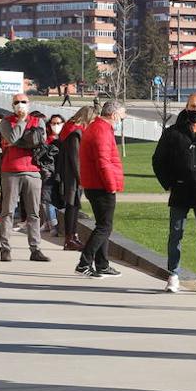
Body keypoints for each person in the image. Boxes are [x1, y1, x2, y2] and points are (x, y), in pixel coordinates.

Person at [151, 93, 196, 294]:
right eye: (193, 106)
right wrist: (168, 184)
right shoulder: (172, 133)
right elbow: (158, 160)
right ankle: (173, 274)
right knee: (176, 234)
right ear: (186, 106)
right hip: (180, 191)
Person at [0, 93, 49, 262]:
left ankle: (35, 249)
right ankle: (5, 248)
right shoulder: (6, 122)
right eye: (17, 102)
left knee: (34, 213)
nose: (20, 104)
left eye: (23, 102)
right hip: (11, 171)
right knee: (8, 212)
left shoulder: (38, 121)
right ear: (12, 105)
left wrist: (19, 141)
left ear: (29, 103)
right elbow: (11, 137)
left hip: (32, 171)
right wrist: (22, 122)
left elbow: (40, 141)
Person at [76, 100, 126, 278]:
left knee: (104, 225)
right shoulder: (101, 131)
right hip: (100, 185)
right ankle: (84, 262)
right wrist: (111, 185)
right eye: (122, 115)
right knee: (104, 226)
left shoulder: (98, 128)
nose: (123, 118)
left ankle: (102, 264)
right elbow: (103, 162)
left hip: (95, 184)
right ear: (113, 115)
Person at [59, 106, 93, 251]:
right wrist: (81, 178)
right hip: (72, 175)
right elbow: (76, 158)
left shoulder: (70, 129)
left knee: (73, 206)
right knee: (72, 206)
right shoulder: (75, 133)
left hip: (70, 173)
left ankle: (73, 236)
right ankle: (70, 238)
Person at [38, 113, 66, 237]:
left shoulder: (65, 139)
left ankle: (50, 223)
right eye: (53, 123)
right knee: (46, 199)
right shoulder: (46, 139)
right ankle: (51, 224)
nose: (56, 125)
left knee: (55, 198)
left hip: (61, 173)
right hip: (48, 172)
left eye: (58, 123)